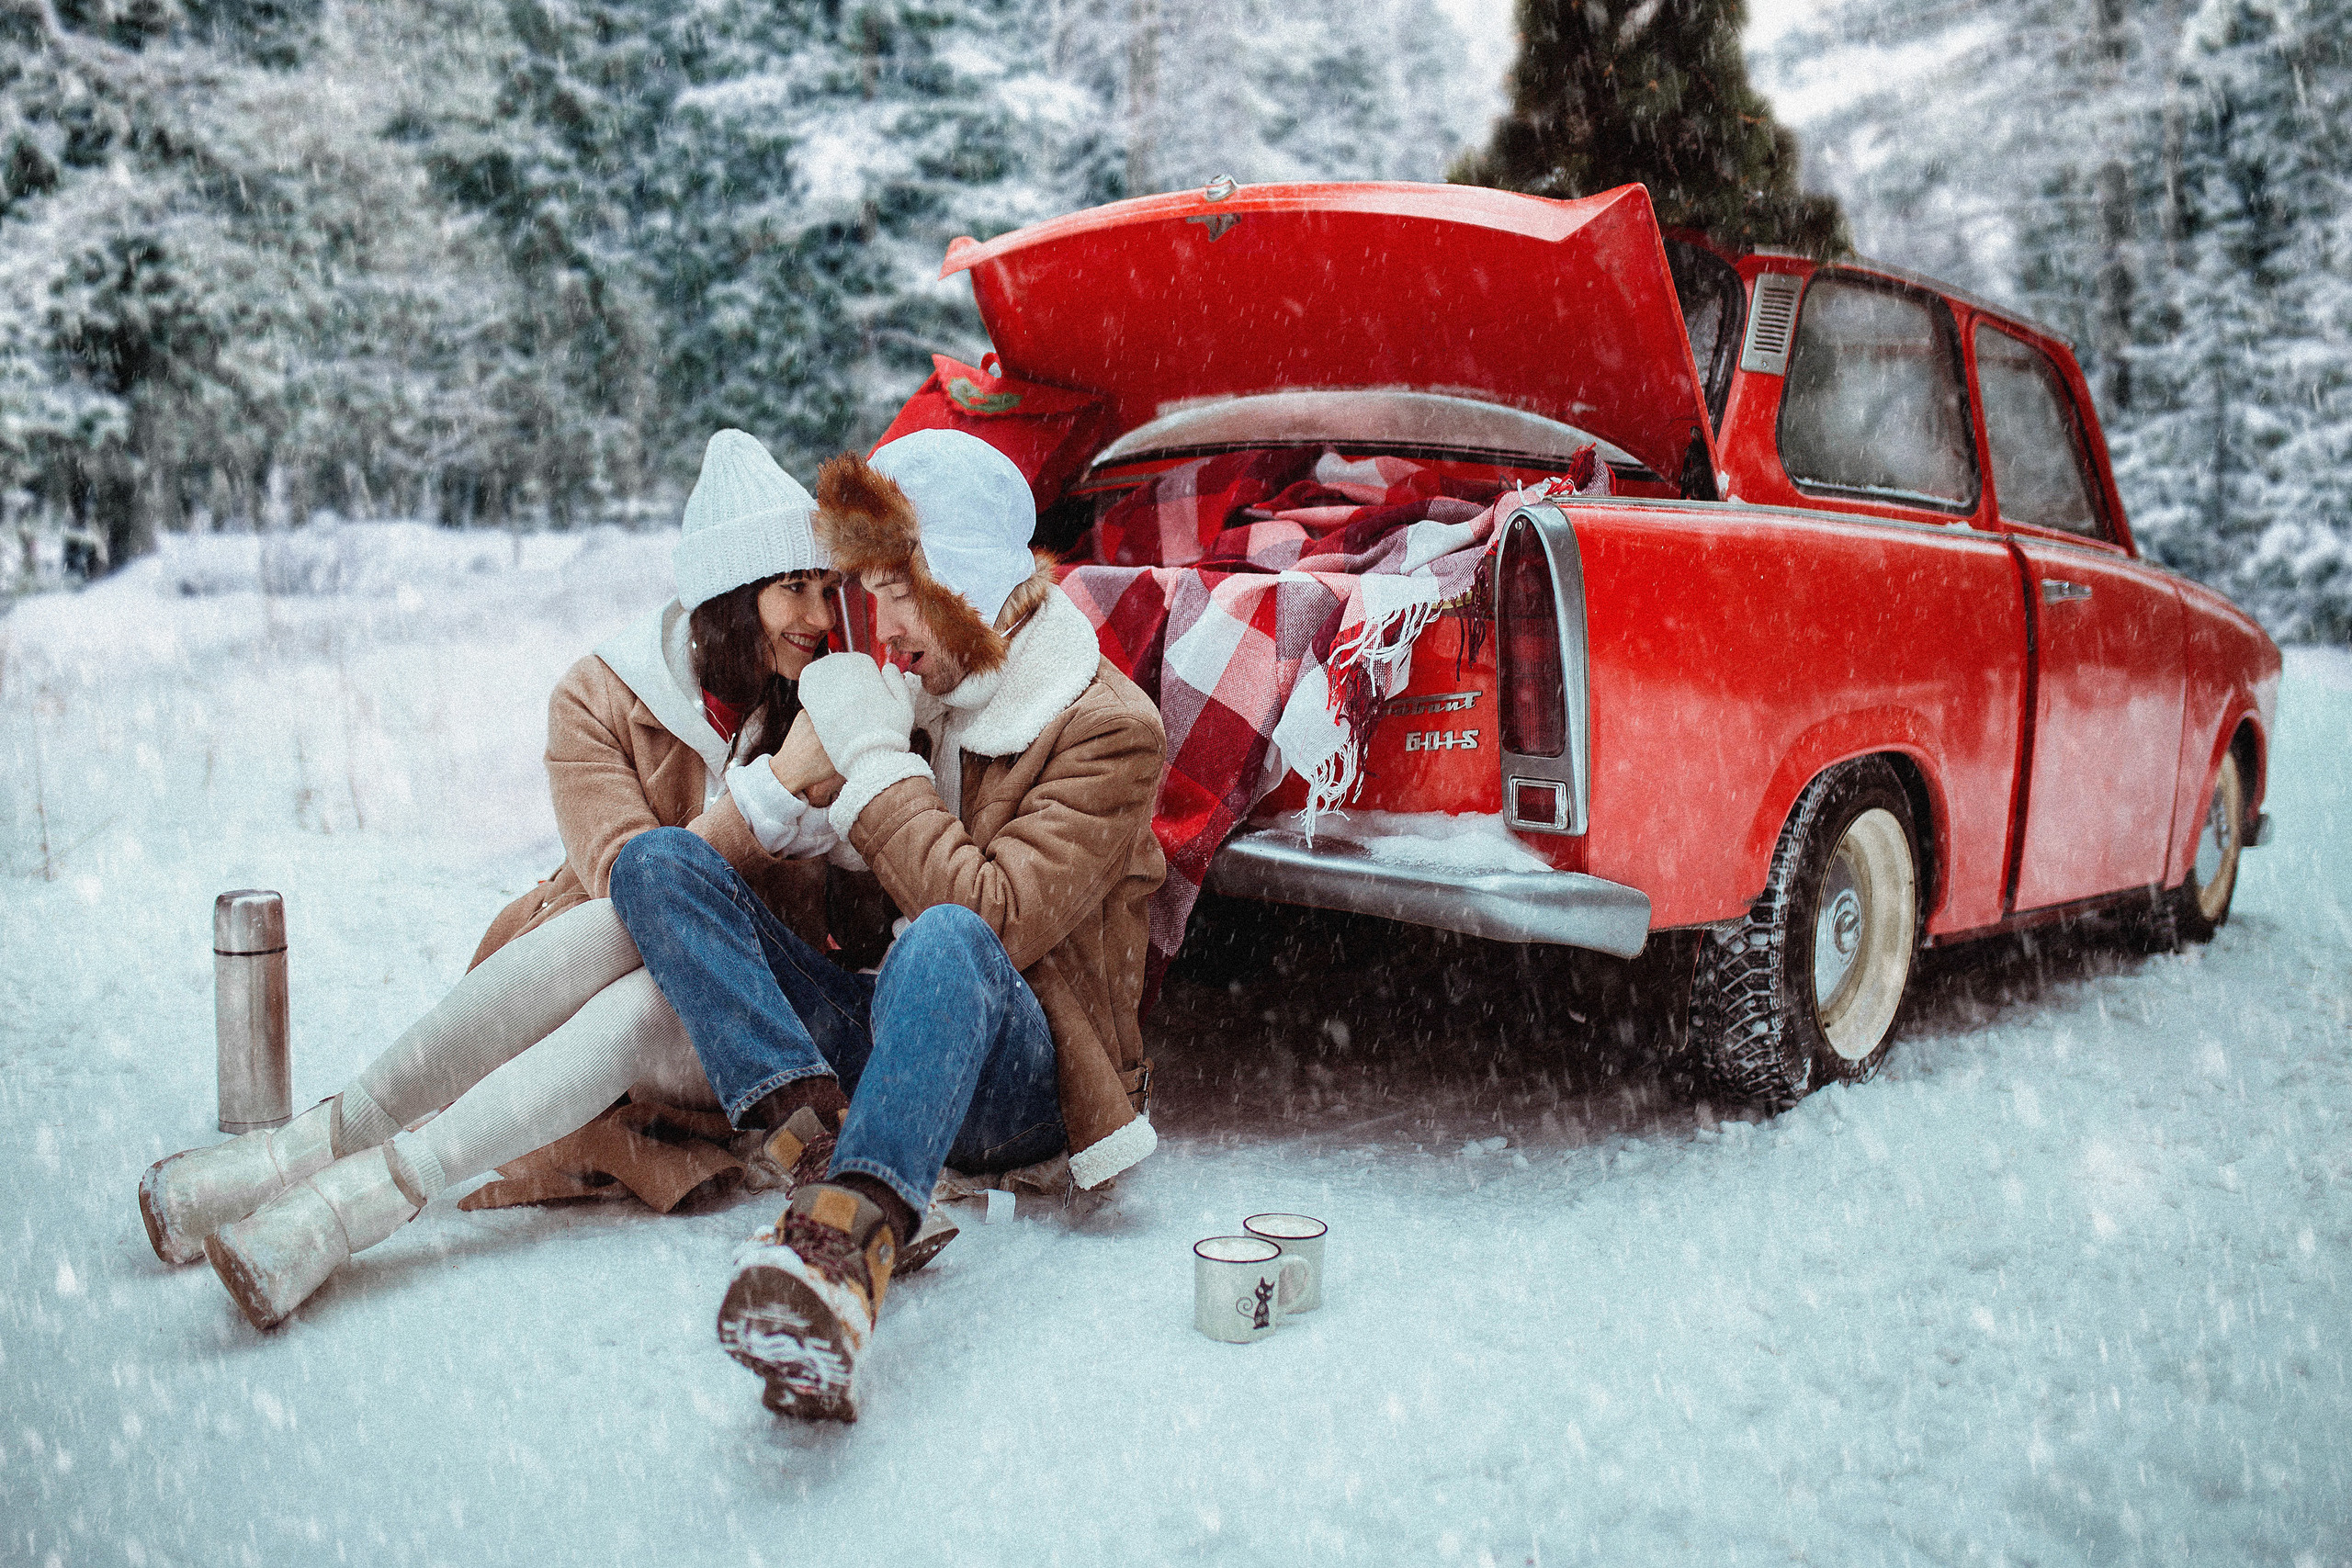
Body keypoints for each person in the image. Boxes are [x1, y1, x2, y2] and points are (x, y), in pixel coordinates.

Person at [137, 430, 874, 1331]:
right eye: (793, 588)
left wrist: (838, 820)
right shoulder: (597, 697)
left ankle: (349, 1197)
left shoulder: (828, 702)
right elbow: (632, 884)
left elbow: (854, 913)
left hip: (729, 1025)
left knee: (652, 996)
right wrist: (766, 798)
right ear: (728, 598)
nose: (820, 618)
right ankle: (304, 1166)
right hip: (580, 971)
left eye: (827, 589)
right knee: (628, 926)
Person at [609, 427, 1166, 1421]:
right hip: (901, 1031)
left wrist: (876, 773)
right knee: (661, 866)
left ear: (963, 583)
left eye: (900, 591)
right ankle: (814, 1147)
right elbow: (874, 931)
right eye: (871, 594)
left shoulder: (1104, 727)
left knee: (952, 938)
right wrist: (823, 827)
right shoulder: (923, 687)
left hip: (1023, 1079)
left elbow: (991, 920)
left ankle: (843, 1250)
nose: (880, 626)